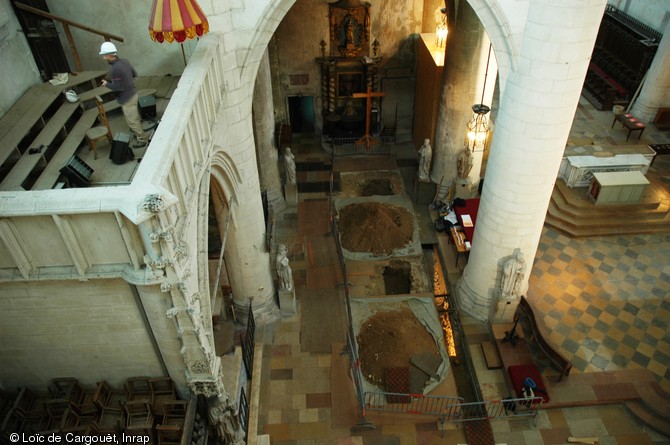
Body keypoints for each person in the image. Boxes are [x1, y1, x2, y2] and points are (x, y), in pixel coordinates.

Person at [99, 42, 149, 148]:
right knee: (134, 116)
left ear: (110, 55)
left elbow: (118, 87)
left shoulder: (115, 69)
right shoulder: (124, 61)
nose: (104, 58)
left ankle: (143, 139)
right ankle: (139, 132)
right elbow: (134, 74)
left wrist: (107, 84)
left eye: (104, 55)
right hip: (133, 93)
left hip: (127, 98)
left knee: (132, 121)